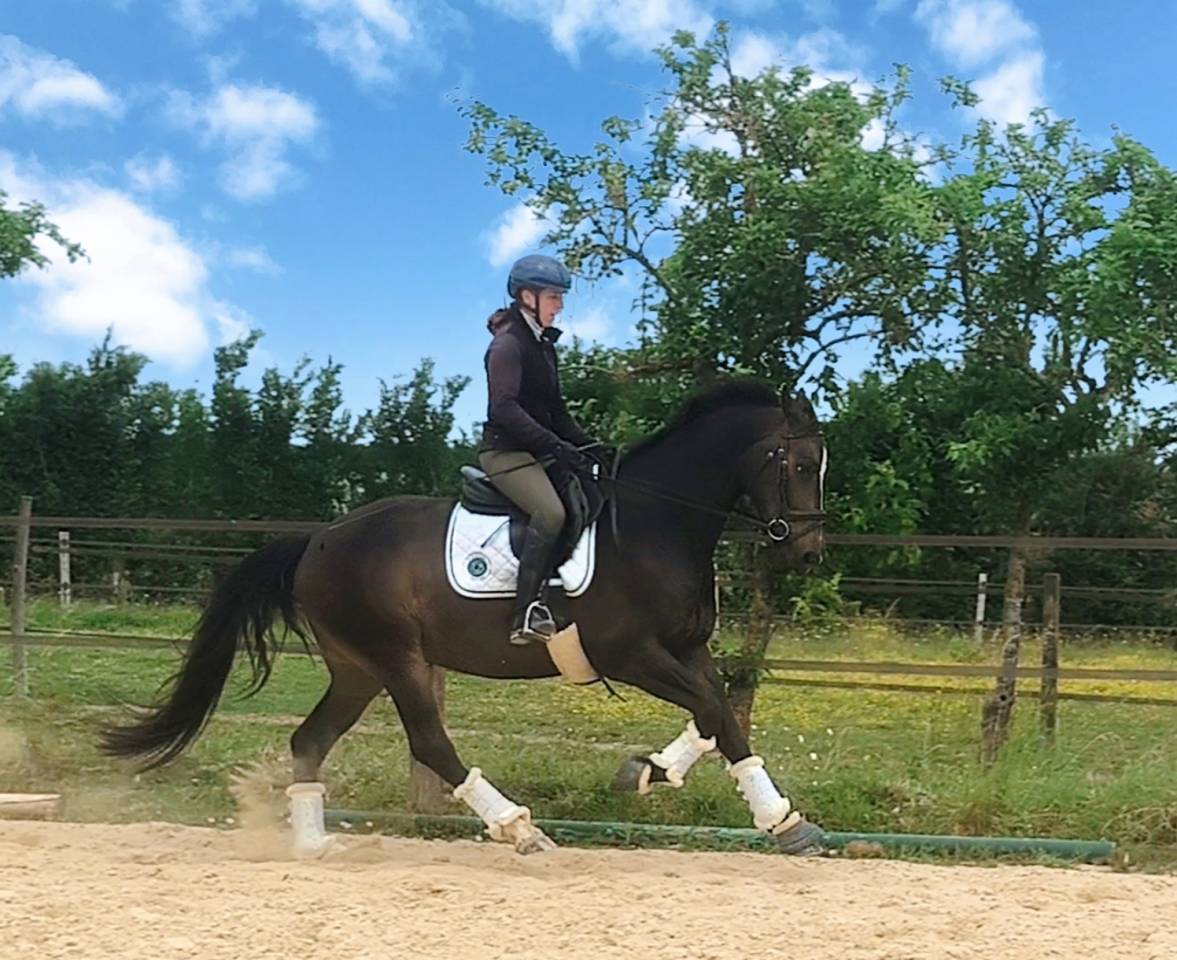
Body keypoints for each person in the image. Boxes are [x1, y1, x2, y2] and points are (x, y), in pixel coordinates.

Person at [480, 253, 601, 646]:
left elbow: (557, 412)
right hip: (507, 454)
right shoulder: (507, 345)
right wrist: (556, 446)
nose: (560, 305)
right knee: (550, 511)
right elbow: (505, 408)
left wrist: (592, 447)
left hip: (539, 452)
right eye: (554, 297)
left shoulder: (543, 348)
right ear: (527, 297)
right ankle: (526, 611)